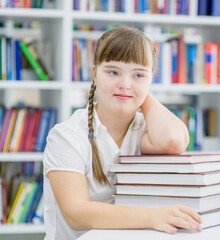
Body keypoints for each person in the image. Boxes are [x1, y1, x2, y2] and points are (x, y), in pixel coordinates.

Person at [43, 26, 201, 240]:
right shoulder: (66, 136)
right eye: (113, 72)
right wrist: (153, 217)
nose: (125, 84)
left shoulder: (146, 129)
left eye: (138, 75)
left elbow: (174, 140)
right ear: (95, 74)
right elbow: (76, 213)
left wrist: (141, 93)